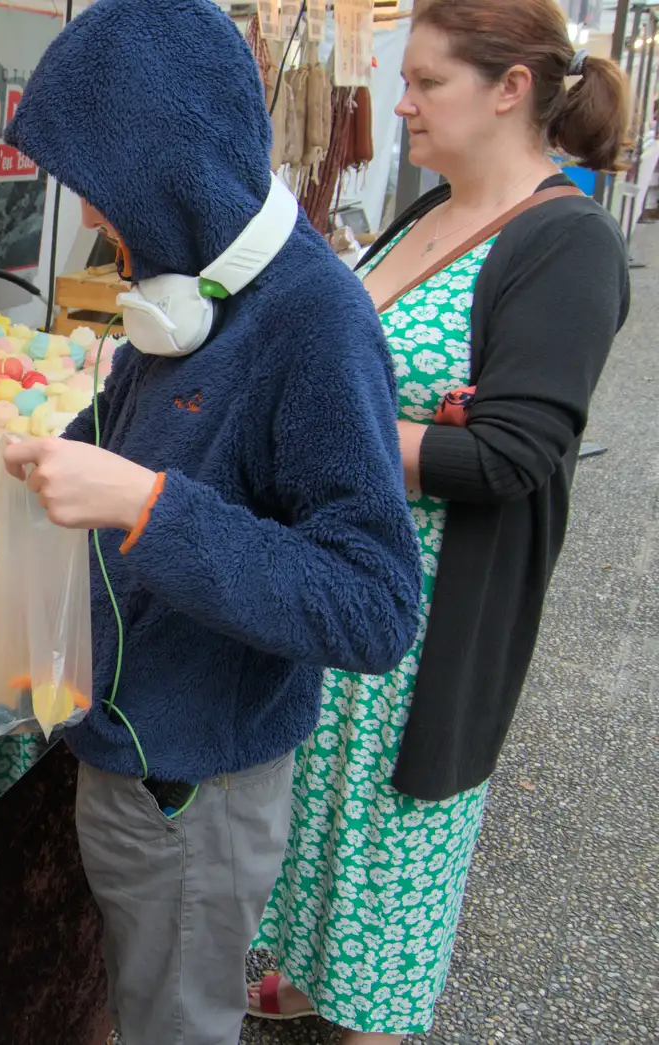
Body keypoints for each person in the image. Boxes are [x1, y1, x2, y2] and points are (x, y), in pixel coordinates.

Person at [0, 1, 424, 1042]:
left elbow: (372, 605)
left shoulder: (313, 323)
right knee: (130, 992)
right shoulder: (187, 294)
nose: (100, 227)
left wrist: (147, 506)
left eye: (104, 199)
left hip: (193, 786)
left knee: (176, 1022)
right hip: (130, 747)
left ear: (170, 174)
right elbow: (111, 422)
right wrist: (7, 542)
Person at [248, 2, 632, 1042]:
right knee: (319, 813)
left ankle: (367, 1016)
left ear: (510, 88)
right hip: (343, 590)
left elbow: (512, 456)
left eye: (426, 82)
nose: (399, 104)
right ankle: (303, 976)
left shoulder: (566, 243)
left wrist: (328, 432)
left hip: (424, 629)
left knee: (390, 849)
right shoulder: (428, 209)